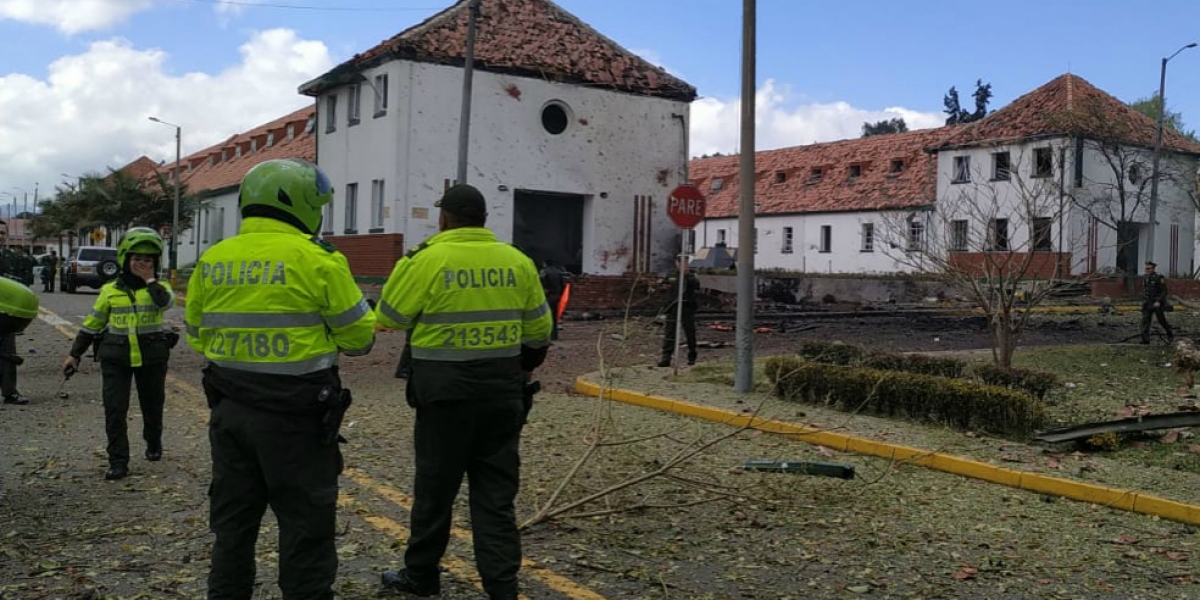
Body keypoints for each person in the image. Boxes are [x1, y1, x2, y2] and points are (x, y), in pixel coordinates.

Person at [185, 158, 376, 600]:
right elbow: (360, 338)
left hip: (230, 413)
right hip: (297, 420)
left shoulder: (212, 260)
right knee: (305, 530)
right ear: (302, 204)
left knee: (232, 528)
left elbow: (198, 336)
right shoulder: (319, 260)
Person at [375, 183, 552, 600]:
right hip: (501, 395)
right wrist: (522, 369)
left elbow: (390, 316)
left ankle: (421, 576)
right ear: (484, 218)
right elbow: (540, 330)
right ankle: (502, 588)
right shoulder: (517, 261)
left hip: (443, 397)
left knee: (435, 492)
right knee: (495, 498)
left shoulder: (427, 259)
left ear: (445, 218)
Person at [62, 228, 174, 480]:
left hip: (152, 357)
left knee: (153, 405)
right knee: (114, 410)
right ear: (125, 259)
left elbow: (165, 303)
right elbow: (93, 324)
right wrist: (75, 354)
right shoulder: (110, 290)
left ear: (156, 262)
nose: (142, 264)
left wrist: (150, 280)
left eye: (148, 260)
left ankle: (153, 442)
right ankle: (118, 461)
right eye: (136, 259)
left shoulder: (160, 287)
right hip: (116, 358)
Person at [0, 220, 34, 405]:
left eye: (2, 233)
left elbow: (23, 281)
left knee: (7, 354)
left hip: (5, 314)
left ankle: (10, 392)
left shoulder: (11, 257)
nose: (0, 236)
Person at [657, 256, 700, 367]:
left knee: (690, 333)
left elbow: (696, 286)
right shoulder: (671, 275)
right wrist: (663, 286)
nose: (683, 264)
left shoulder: (692, 275)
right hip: (673, 307)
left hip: (687, 307)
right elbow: (663, 287)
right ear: (676, 263)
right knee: (670, 333)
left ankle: (692, 357)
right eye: (680, 262)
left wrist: (686, 275)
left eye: (685, 262)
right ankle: (666, 358)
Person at [1140, 260, 1173, 344]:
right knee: (1145, 321)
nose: (1147, 270)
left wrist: (1158, 301)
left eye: (1149, 268)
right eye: (1146, 268)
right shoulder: (1144, 277)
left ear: (1153, 268)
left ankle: (1169, 334)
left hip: (1157, 303)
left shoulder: (1159, 277)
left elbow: (1164, 291)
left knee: (1161, 320)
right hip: (1147, 303)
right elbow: (1145, 290)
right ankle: (1145, 339)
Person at [539, 259, 568, 340]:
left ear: (545, 264)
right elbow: (563, 284)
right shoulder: (558, 272)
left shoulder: (544, 272)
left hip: (548, 296)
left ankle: (548, 335)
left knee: (547, 316)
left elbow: (541, 282)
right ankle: (554, 336)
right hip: (557, 295)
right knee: (555, 316)